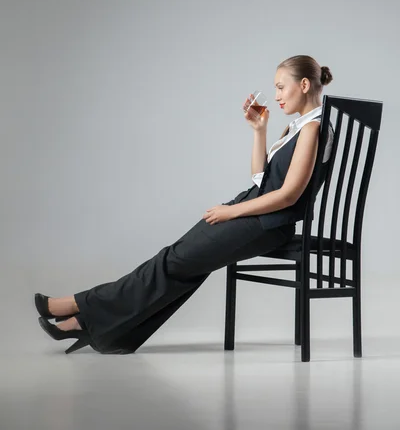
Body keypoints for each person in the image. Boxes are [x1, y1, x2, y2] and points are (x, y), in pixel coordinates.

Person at [35, 54, 334, 354]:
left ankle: (80, 309)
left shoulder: (313, 130)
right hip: (255, 210)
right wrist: (259, 131)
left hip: (268, 223)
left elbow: (289, 196)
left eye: (281, 87)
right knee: (176, 261)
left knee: (175, 262)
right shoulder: (297, 127)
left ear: (304, 84)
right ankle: (103, 328)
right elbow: (261, 178)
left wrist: (231, 211)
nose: (278, 96)